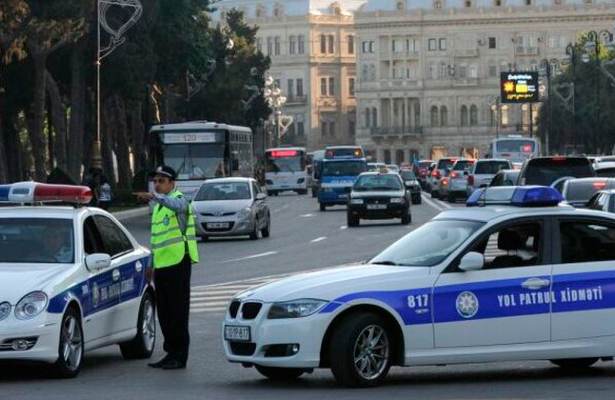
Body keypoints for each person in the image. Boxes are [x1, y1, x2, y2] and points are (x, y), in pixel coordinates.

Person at [133, 166, 199, 370]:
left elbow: (176, 205)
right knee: (165, 313)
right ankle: (170, 352)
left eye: (162, 181)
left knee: (178, 312)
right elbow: (156, 240)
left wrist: (154, 196)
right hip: (162, 265)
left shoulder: (180, 200)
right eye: (155, 180)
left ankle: (180, 356)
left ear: (172, 183)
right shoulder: (158, 208)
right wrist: (151, 264)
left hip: (179, 262)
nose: (157, 184)